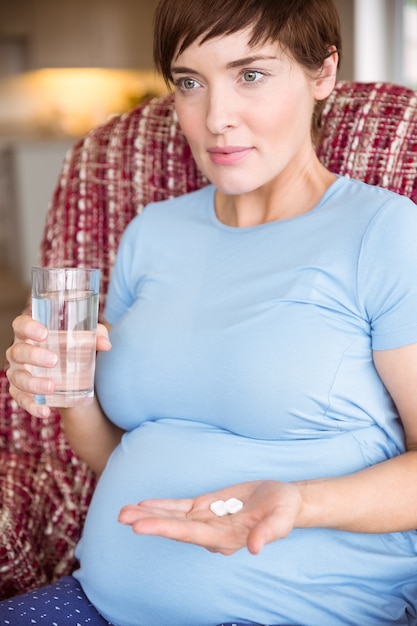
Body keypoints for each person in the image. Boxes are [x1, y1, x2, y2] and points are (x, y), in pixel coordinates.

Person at [3, 0, 417, 624]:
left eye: (250, 75)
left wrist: (299, 503)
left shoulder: (383, 233)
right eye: (190, 83)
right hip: (98, 603)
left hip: (296, 611)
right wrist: (68, 383)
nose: (216, 118)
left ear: (322, 73)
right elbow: (117, 450)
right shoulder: (152, 232)